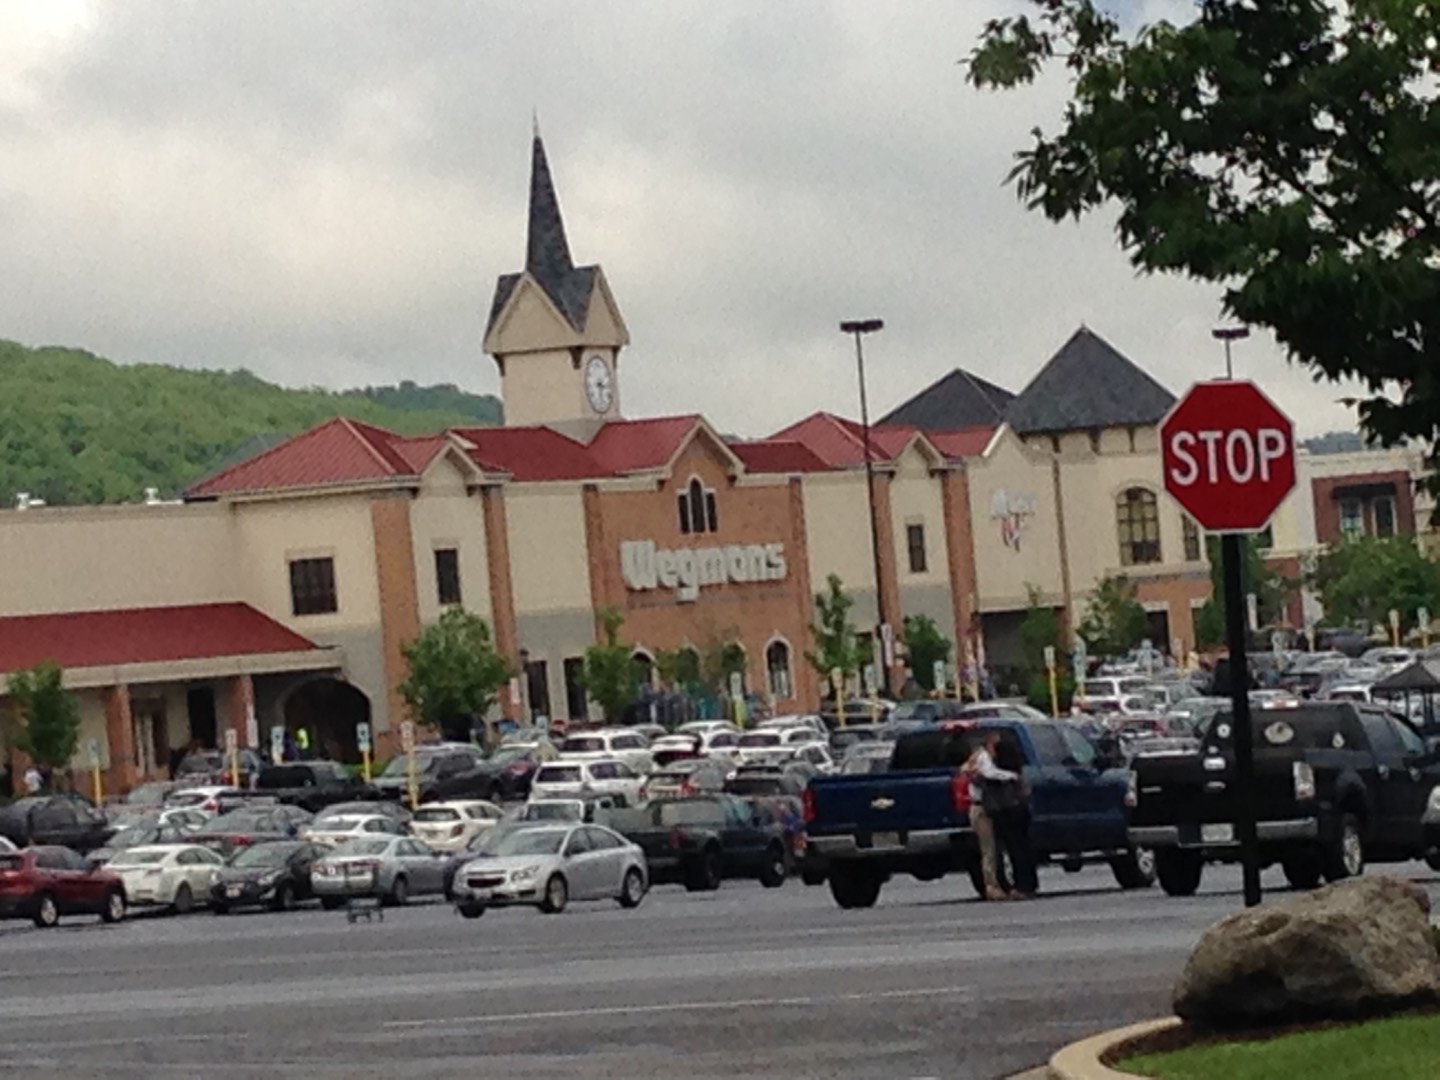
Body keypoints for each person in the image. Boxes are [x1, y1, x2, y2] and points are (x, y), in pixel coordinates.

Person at [962, 730, 1018, 901]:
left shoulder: (977, 757)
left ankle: (998, 885)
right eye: (996, 742)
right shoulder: (983, 757)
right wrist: (1010, 776)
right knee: (989, 850)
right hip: (981, 809)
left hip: (983, 808)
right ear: (989, 742)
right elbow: (989, 773)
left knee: (993, 849)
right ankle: (991, 886)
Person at [989, 739, 1039, 899]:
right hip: (1021, 810)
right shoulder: (1018, 770)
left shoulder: (1002, 774)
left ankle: (1022, 885)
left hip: (1008, 811)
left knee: (1015, 850)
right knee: (1024, 849)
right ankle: (1029, 883)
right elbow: (1026, 792)